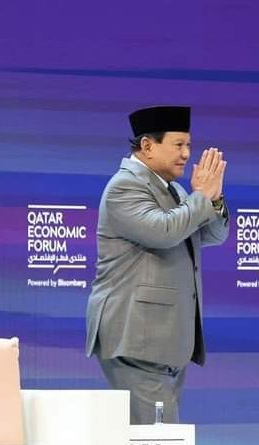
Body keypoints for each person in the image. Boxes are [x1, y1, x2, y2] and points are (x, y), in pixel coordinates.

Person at [85, 105, 229, 424]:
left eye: (188, 145)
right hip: (137, 338)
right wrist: (201, 197)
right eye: (178, 145)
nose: (186, 154)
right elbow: (163, 231)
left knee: (158, 434)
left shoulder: (174, 190)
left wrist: (214, 199)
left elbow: (213, 234)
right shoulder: (124, 186)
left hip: (164, 341)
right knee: (157, 437)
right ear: (148, 145)